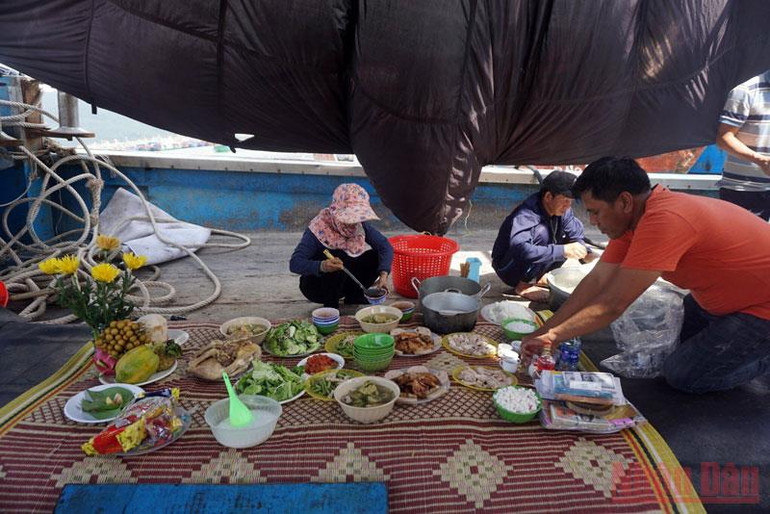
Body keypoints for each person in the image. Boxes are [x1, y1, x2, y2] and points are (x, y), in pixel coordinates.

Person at [521, 157, 770, 394]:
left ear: (625, 202)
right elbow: (596, 282)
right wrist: (544, 332)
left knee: (682, 376)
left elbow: (612, 304)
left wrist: (553, 337)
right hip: (719, 299)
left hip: (760, 309)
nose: (593, 221)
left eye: (595, 212)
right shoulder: (633, 220)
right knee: (673, 355)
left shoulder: (663, 221)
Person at [491, 171, 596, 302]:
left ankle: (540, 277)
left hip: (533, 263)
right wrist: (563, 251)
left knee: (566, 242)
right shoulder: (527, 214)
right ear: (548, 197)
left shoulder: (565, 211)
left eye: (571, 202)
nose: (568, 206)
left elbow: (575, 235)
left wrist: (584, 252)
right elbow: (520, 249)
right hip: (507, 268)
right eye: (565, 201)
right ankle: (522, 286)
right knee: (542, 234)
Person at [289, 183, 393, 308]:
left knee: (375, 256)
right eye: (349, 218)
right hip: (319, 286)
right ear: (336, 212)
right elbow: (295, 263)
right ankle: (331, 306)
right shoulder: (318, 229)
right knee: (336, 257)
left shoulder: (359, 225)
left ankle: (354, 296)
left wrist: (383, 275)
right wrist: (323, 266)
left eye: (356, 218)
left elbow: (384, 246)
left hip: (347, 280)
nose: (353, 223)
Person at [716, 69, 770, 220]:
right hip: (745, 190)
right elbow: (724, 138)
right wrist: (761, 160)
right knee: (748, 243)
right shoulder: (745, 92)